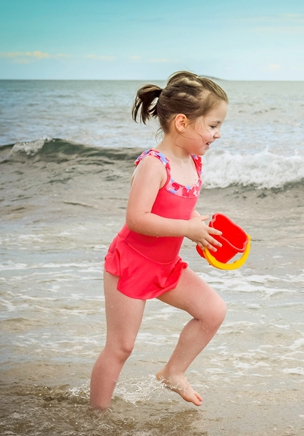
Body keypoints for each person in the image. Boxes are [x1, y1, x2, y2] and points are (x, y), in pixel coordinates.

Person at [90, 71, 228, 410]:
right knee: (121, 347)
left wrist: (200, 226)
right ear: (182, 122)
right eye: (212, 125)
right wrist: (187, 229)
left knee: (213, 311)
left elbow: (179, 210)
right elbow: (137, 219)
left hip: (166, 267)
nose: (218, 134)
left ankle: (173, 372)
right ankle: (96, 416)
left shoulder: (194, 161)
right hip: (131, 265)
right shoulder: (155, 164)